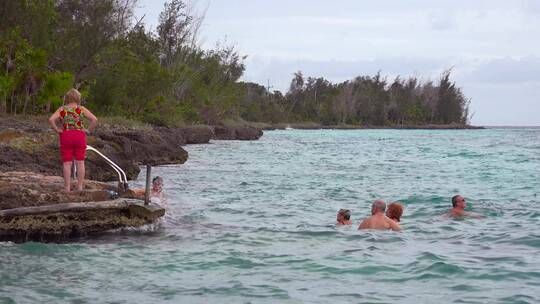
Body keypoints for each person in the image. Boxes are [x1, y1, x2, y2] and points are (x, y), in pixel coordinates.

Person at [48, 88, 97, 192]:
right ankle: (79, 187)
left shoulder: (62, 109)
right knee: (80, 162)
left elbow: (51, 119)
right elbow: (94, 119)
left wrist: (57, 129)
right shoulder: (81, 109)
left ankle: (67, 188)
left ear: (67, 98)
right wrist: (88, 130)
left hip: (66, 135)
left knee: (67, 163)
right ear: (78, 98)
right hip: (79, 135)